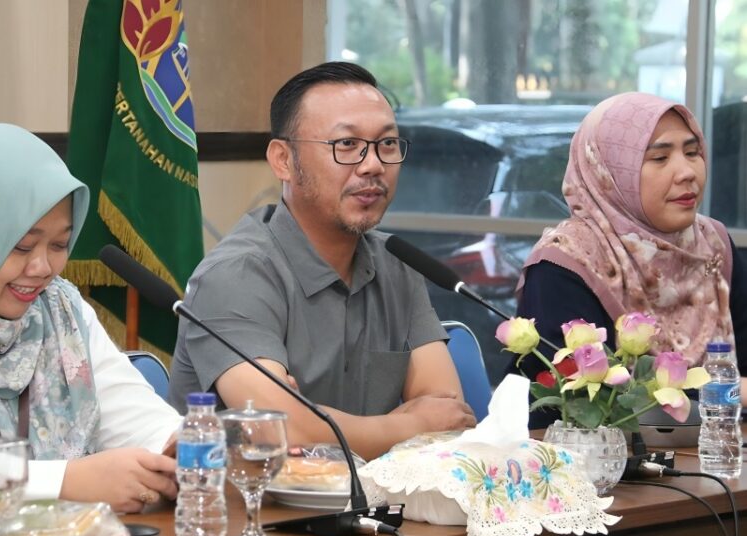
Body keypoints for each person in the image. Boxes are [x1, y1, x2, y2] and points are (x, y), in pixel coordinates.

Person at [170, 62, 476, 460]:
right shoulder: (235, 276)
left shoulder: (397, 264)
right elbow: (280, 428)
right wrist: (409, 424)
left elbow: (448, 413)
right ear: (283, 160)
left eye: (387, 144)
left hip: (373, 497)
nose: (373, 165)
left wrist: (330, 426)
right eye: (346, 144)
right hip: (250, 498)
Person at [0, 124, 181, 521]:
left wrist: (184, 445)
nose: (43, 267)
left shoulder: (58, 309)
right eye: (21, 245)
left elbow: (140, 421)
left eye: (59, 244)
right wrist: (62, 482)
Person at [511, 92, 747, 428]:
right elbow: (580, 405)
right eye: (660, 158)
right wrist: (728, 391)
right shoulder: (566, 263)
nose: (687, 172)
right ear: (608, 173)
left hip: (721, 450)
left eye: (692, 152)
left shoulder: (713, 244)